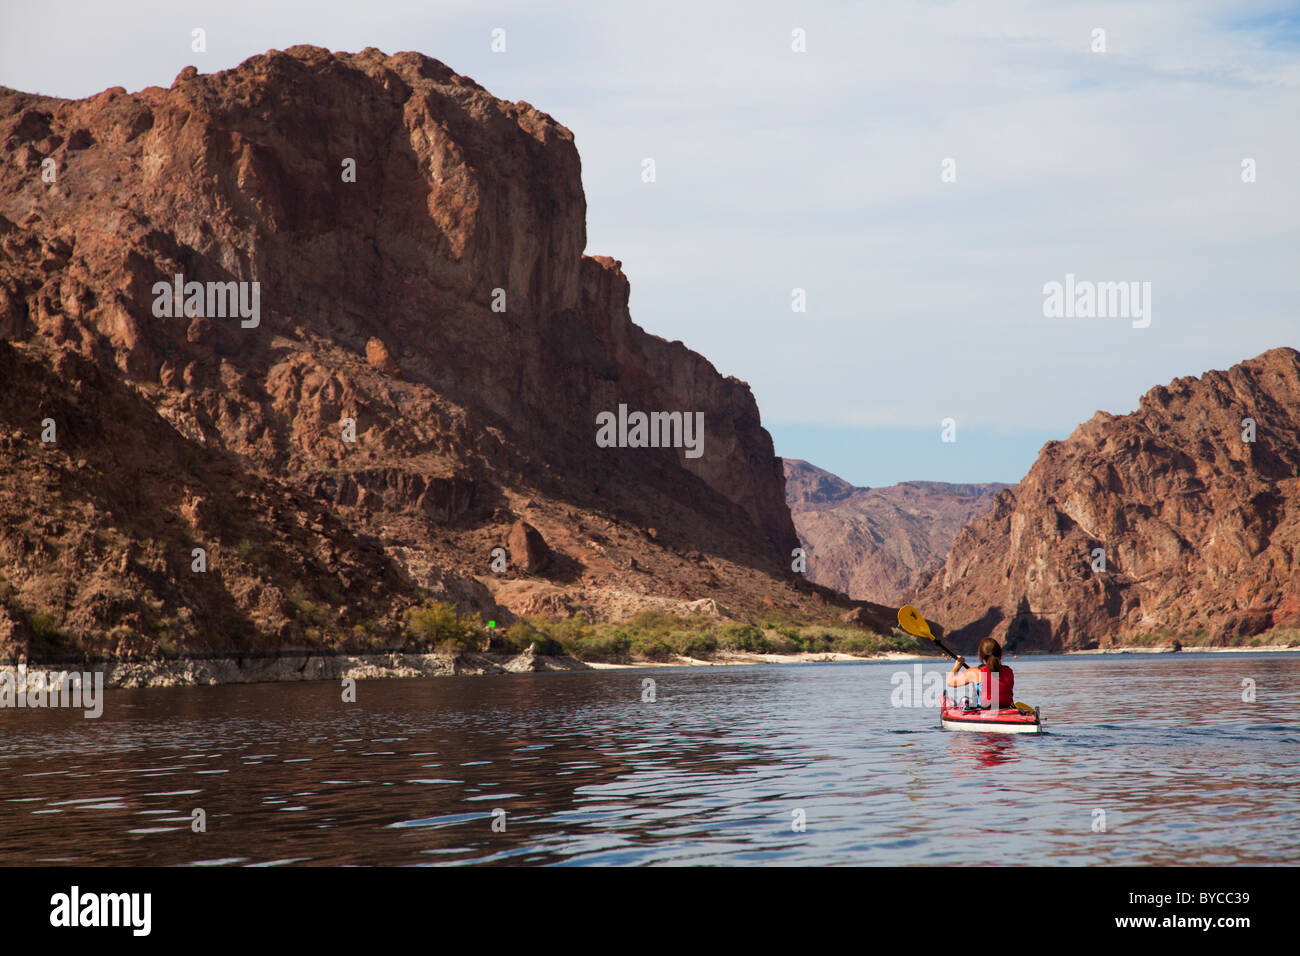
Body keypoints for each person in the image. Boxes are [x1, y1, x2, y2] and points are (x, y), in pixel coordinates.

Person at [946, 637, 1014, 710]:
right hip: (1007, 710)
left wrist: (958, 665)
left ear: (981, 656)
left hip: (984, 711)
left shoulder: (975, 672)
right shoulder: (1009, 671)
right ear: (1000, 654)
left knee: (968, 700)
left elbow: (949, 682)